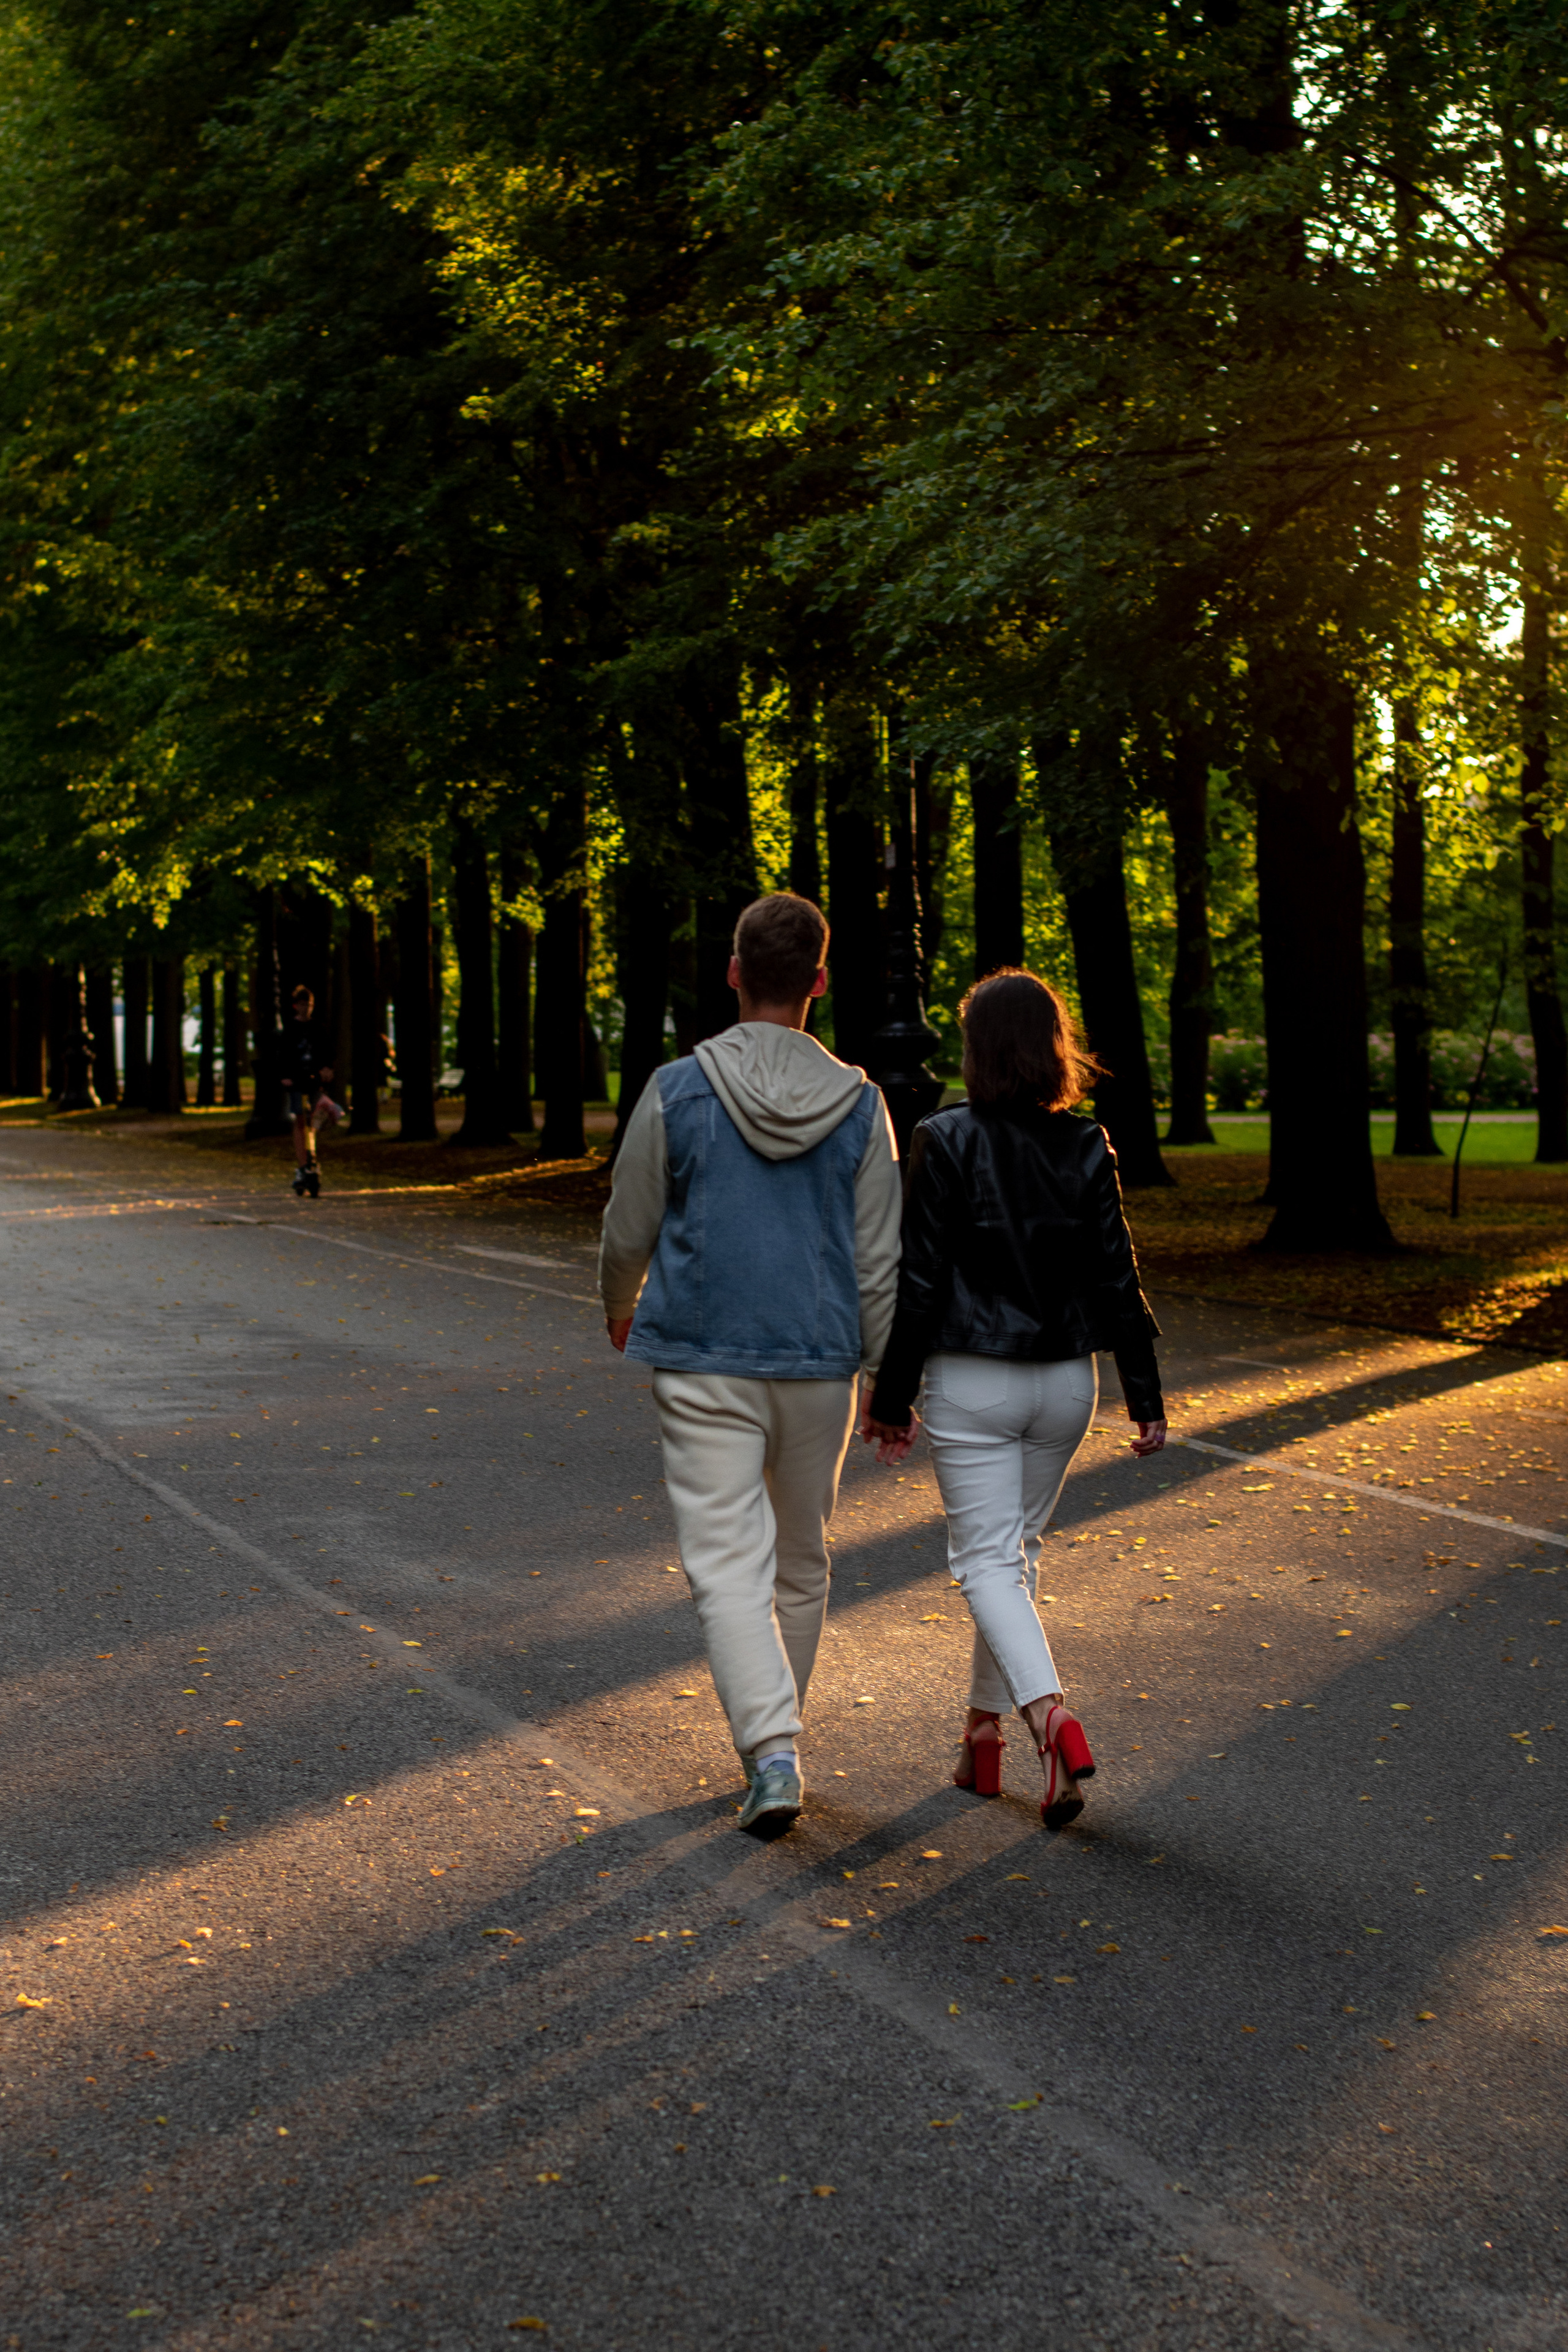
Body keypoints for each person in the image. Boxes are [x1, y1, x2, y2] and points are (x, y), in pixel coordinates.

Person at [598, 892, 903, 1837]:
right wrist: (890, 1383)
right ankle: (777, 1746)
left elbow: (628, 1220)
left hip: (701, 1359)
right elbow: (879, 1261)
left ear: (732, 973)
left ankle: (772, 1753)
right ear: (819, 983)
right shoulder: (862, 1105)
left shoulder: (677, 1089)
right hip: (819, 1364)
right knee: (802, 1564)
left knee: (727, 1568)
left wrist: (621, 1304)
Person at [861, 969, 1166, 1832]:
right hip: (1070, 1383)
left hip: (975, 1380)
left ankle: (1049, 1717)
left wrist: (890, 1397)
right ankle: (980, 1740)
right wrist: (1144, 1394)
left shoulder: (943, 1138)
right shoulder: (1086, 1144)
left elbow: (917, 1284)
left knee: (987, 1563)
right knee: (1014, 1559)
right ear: (1052, 1048)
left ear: (977, 1050)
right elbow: (1118, 1276)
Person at [280, 985, 334, 1198]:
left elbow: (327, 1052)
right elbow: (284, 1054)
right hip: (296, 1080)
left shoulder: (318, 1028)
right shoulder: (290, 1029)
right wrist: (285, 1075)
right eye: (303, 1005)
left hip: (314, 1081)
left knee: (315, 1120)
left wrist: (327, 1068)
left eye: (309, 1005)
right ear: (296, 1006)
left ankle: (312, 1160)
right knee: (300, 1120)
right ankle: (303, 1165)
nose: (306, 1009)